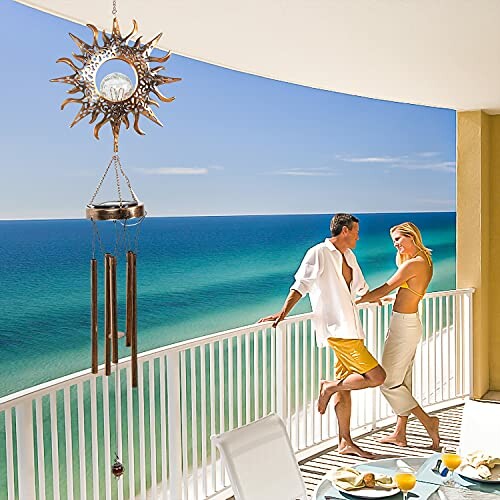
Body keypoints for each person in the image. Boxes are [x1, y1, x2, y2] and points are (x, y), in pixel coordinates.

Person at [258, 213, 386, 459]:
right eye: (356, 231)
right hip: (338, 331)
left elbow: (360, 289)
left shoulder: (349, 255)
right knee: (377, 376)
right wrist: (283, 312)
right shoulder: (318, 252)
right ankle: (327, 387)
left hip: (352, 329)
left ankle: (345, 442)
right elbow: (301, 285)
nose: (359, 236)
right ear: (345, 230)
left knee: (345, 387)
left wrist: (378, 298)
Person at [356, 222, 440, 450]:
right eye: (393, 241)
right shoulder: (424, 259)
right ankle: (399, 434)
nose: (396, 245)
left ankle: (428, 421)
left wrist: (355, 301)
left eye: (399, 239)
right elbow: (399, 289)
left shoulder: (413, 264)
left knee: (388, 382)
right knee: (403, 380)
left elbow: (385, 288)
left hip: (404, 327)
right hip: (408, 324)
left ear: (411, 236)